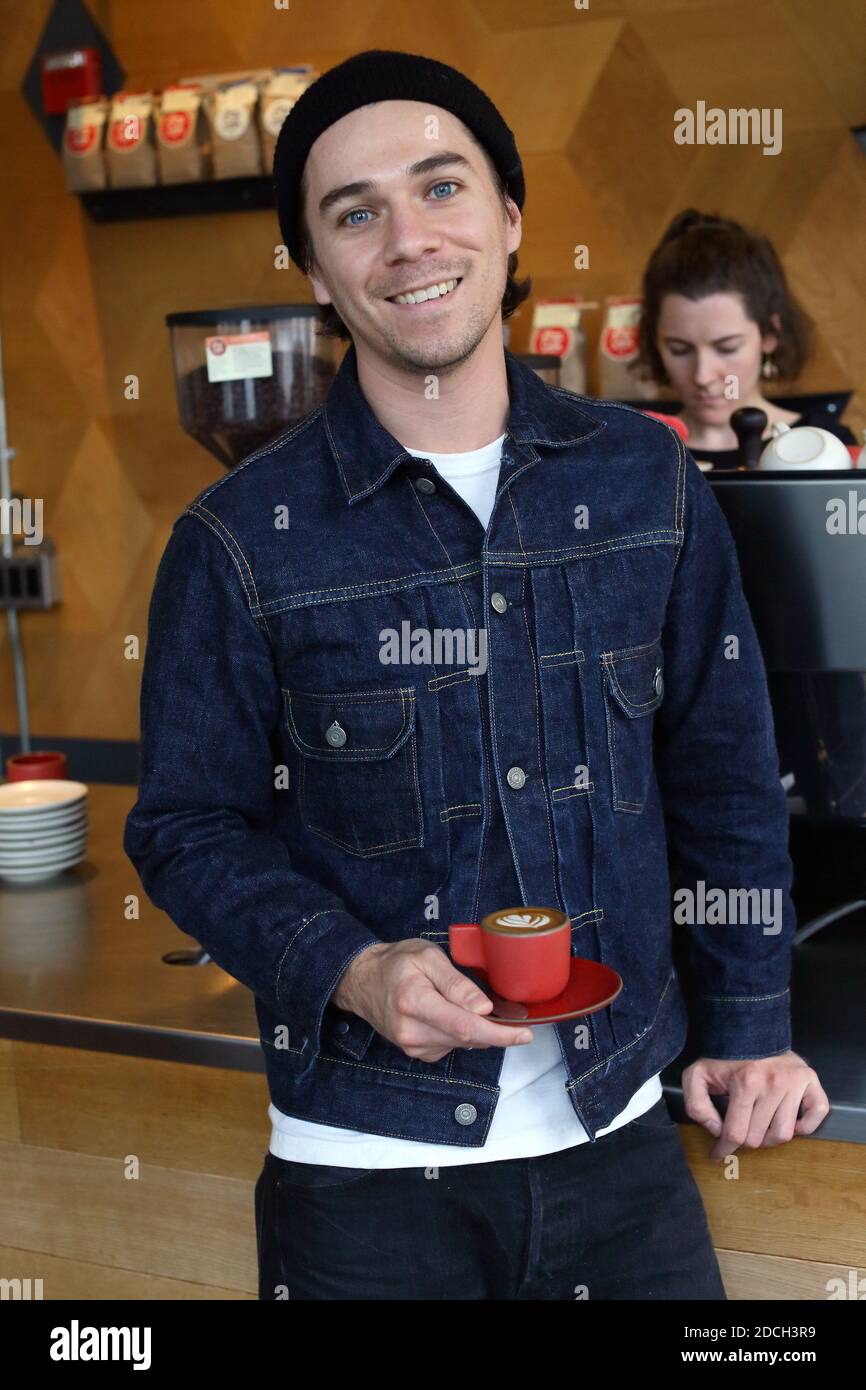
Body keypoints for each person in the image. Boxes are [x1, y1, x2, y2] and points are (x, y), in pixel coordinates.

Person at [123, 50, 829, 1301]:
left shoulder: (644, 481)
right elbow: (185, 827)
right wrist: (350, 964)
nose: (407, 239)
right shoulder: (236, 540)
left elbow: (720, 775)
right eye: (355, 212)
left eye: (440, 187)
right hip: (361, 1176)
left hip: (619, 1145)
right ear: (316, 267)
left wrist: (750, 1024)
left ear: (508, 216)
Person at [635, 209, 857, 468]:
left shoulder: (828, 448)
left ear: (769, 335)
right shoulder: (639, 452)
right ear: (655, 342)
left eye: (727, 348)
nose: (703, 376)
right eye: (679, 350)